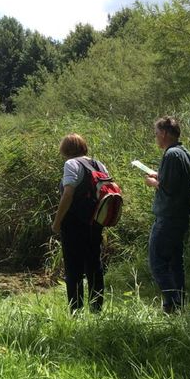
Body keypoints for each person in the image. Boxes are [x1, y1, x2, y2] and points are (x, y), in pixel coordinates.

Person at [143, 116, 190, 314]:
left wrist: (153, 183)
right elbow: (182, 182)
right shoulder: (184, 153)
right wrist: (161, 178)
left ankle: (173, 302)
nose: (156, 137)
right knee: (175, 263)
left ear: (165, 133)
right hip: (180, 216)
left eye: (157, 133)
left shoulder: (171, 155)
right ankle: (176, 305)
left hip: (168, 217)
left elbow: (169, 189)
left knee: (157, 263)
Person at [52, 133, 108, 313]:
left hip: (74, 224)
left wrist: (57, 222)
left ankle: (76, 312)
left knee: (73, 269)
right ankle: (96, 310)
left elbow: (68, 194)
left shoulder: (71, 164)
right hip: (95, 223)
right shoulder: (98, 164)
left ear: (66, 149)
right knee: (94, 266)